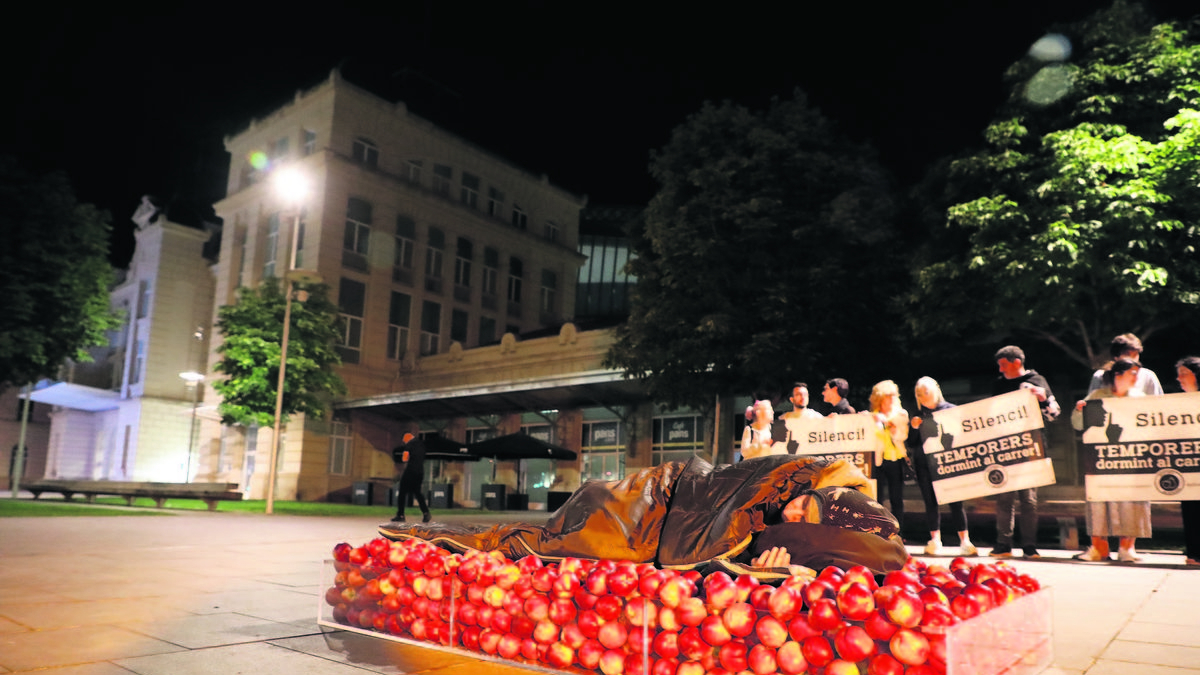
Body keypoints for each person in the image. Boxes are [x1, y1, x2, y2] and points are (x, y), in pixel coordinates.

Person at [1072, 358, 1153, 562]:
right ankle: (1099, 549)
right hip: (1101, 460)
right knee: (1099, 502)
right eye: (1132, 372)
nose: (1136, 377)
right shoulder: (1098, 395)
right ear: (1119, 374)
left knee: (1132, 501)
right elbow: (1078, 424)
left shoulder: (1140, 398)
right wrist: (1080, 410)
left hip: (1131, 459)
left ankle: (1127, 548)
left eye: (1137, 373)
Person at [991, 345, 1060, 559]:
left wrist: (1043, 399)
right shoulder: (999, 385)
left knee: (1028, 500)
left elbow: (1054, 414)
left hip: (1031, 448)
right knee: (1004, 498)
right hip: (1006, 449)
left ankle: (1029, 546)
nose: (1001, 370)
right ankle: (1004, 544)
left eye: (1003, 365)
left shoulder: (1037, 381)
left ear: (1016, 363)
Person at [907, 376, 977, 556]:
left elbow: (963, 436)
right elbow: (912, 443)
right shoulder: (918, 415)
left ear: (935, 390)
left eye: (926, 392)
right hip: (925, 466)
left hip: (949, 463)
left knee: (956, 501)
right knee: (930, 502)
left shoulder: (951, 410)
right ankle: (935, 540)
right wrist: (914, 428)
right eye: (919, 394)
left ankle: (965, 540)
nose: (923, 396)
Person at [866, 380, 910, 531]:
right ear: (880, 398)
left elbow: (903, 437)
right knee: (877, 498)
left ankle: (899, 532)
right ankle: (878, 530)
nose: (891, 399)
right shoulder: (873, 416)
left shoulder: (901, 414)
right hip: (878, 460)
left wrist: (893, 430)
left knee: (896, 498)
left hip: (895, 460)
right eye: (887, 396)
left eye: (893, 395)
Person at [1174, 356, 1200, 566]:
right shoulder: (1177, 405)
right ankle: (1194, 553)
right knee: (1191, 507)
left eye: (1184, 374)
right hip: (1188, 467)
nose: (1178, 378)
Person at [1086, 333, 1164, 396]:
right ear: (1116, 357)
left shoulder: (1148, 376)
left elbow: (1158, 405)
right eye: (1128, 354)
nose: (1133, 359)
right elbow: (1092, 407)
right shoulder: (1100, 376)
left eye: (1135, 354)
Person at [392, 433, 431, 523]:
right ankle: (426, 512)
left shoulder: (409, 445)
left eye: (404, 440)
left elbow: (405, 458)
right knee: (417, 492)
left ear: (407, 437)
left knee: (402, 492)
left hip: (410, 471)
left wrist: (404, 457)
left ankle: (400, 515)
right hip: (420, 471)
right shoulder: (422, 444)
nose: (404, 442)